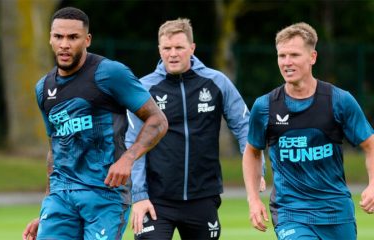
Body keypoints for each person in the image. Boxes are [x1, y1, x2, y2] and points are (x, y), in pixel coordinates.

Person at [22, 7, 168, 240]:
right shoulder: (43, 88)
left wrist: (128, 159)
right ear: (50, 38)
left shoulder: (110, 73)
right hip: (61, 197)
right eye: (58, 37)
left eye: (73, 37)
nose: (64, 44)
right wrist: (47, 208)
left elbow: (158, 121)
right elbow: (55, 149)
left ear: (87, 40)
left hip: (104, 195)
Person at [126, 18, 265, 240]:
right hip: (156, 199)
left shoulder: (217, 82)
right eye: (167, 48)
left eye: (179, 47)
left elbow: (245, 128)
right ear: (159, 49)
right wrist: (139, 195)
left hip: (203, 197)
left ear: (192, 48)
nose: (173, 54)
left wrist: (259, 171)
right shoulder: (144, 89)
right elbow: (133, 144)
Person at [243, 22, 374, 240]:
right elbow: (252, 152)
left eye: (294, 55)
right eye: (281, 56)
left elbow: (370, 145)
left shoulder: (339, 101)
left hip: (336, 212)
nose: (287, 62)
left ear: (312, 57)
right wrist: (253, 199)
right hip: (290, 212)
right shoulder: (265, 106)